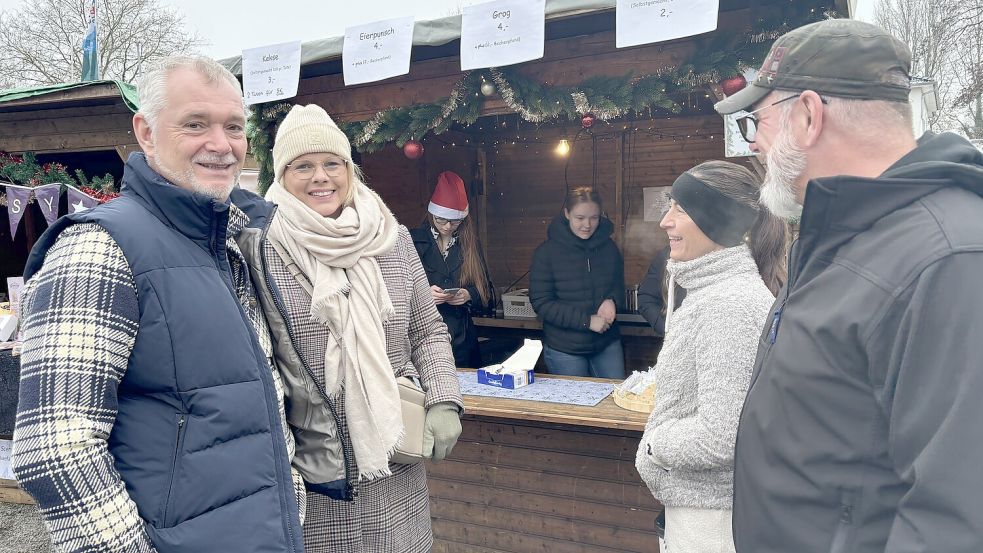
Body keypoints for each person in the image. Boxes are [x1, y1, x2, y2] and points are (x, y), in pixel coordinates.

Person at [11, 56, 305, 552]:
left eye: (234, 127)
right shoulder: (97, 250)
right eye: (195, 124)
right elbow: (57, 450)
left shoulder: (229, 243)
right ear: (145, 133)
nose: (221, 145)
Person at [714, 19, 983, 553]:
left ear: (809, 115)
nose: (756, 144)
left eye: (756, 121)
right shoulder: (843, 235)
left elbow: (955, 519)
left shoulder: (950, 257)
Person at [234, 104, 463, 553]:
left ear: (349, 169)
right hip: (315, 466)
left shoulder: (391, 238)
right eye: (303, 166)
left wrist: (444, 399)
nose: (321, 177)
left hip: (396, 452)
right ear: (282, 176)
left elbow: (427, 330)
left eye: (332, 163)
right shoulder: (259, 250)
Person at [634, 161, 787, 553]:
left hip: (711, 519)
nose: (665, 222)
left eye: (679, 209)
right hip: (706, 508)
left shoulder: (728, 306)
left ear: (716, 220)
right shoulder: (714, 293)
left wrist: (655, 443)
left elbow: (721, 438)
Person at [529, 186, 626, 379]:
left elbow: (618, 285)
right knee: (574, 407)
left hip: (606, 342)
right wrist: (587, 321)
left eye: (594, 218)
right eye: (580, 218)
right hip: (565, 348)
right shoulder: (547, 253)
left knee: (616, 402)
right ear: (567, 214)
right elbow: (541, 302)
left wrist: (612, 300)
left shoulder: (609, 248)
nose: (587, 225)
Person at [411, 171, 494, 368]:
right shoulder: (412, 240)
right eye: (441, 220)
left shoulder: (470, 245)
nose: (448, 226)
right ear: (431, 214)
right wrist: (424, 295)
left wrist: (468, 294)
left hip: (462, 341)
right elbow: (394, 291)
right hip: (424, 338)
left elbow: (488, 295)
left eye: (455, 222)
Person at [636, 246, 685, 335]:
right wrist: (668, 330)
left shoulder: (715, 251)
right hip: (678, 338)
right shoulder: (667, 255)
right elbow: (646, 299)